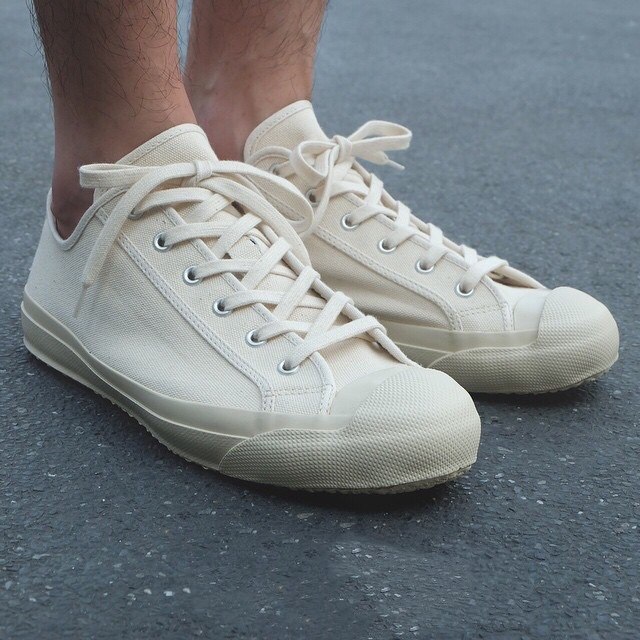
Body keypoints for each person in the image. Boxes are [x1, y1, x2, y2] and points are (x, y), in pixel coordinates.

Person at [23, 1, 616, 493]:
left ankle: (244, 136)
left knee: (255, 96)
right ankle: (117, 181)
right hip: (106, 194)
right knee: (125, 145)